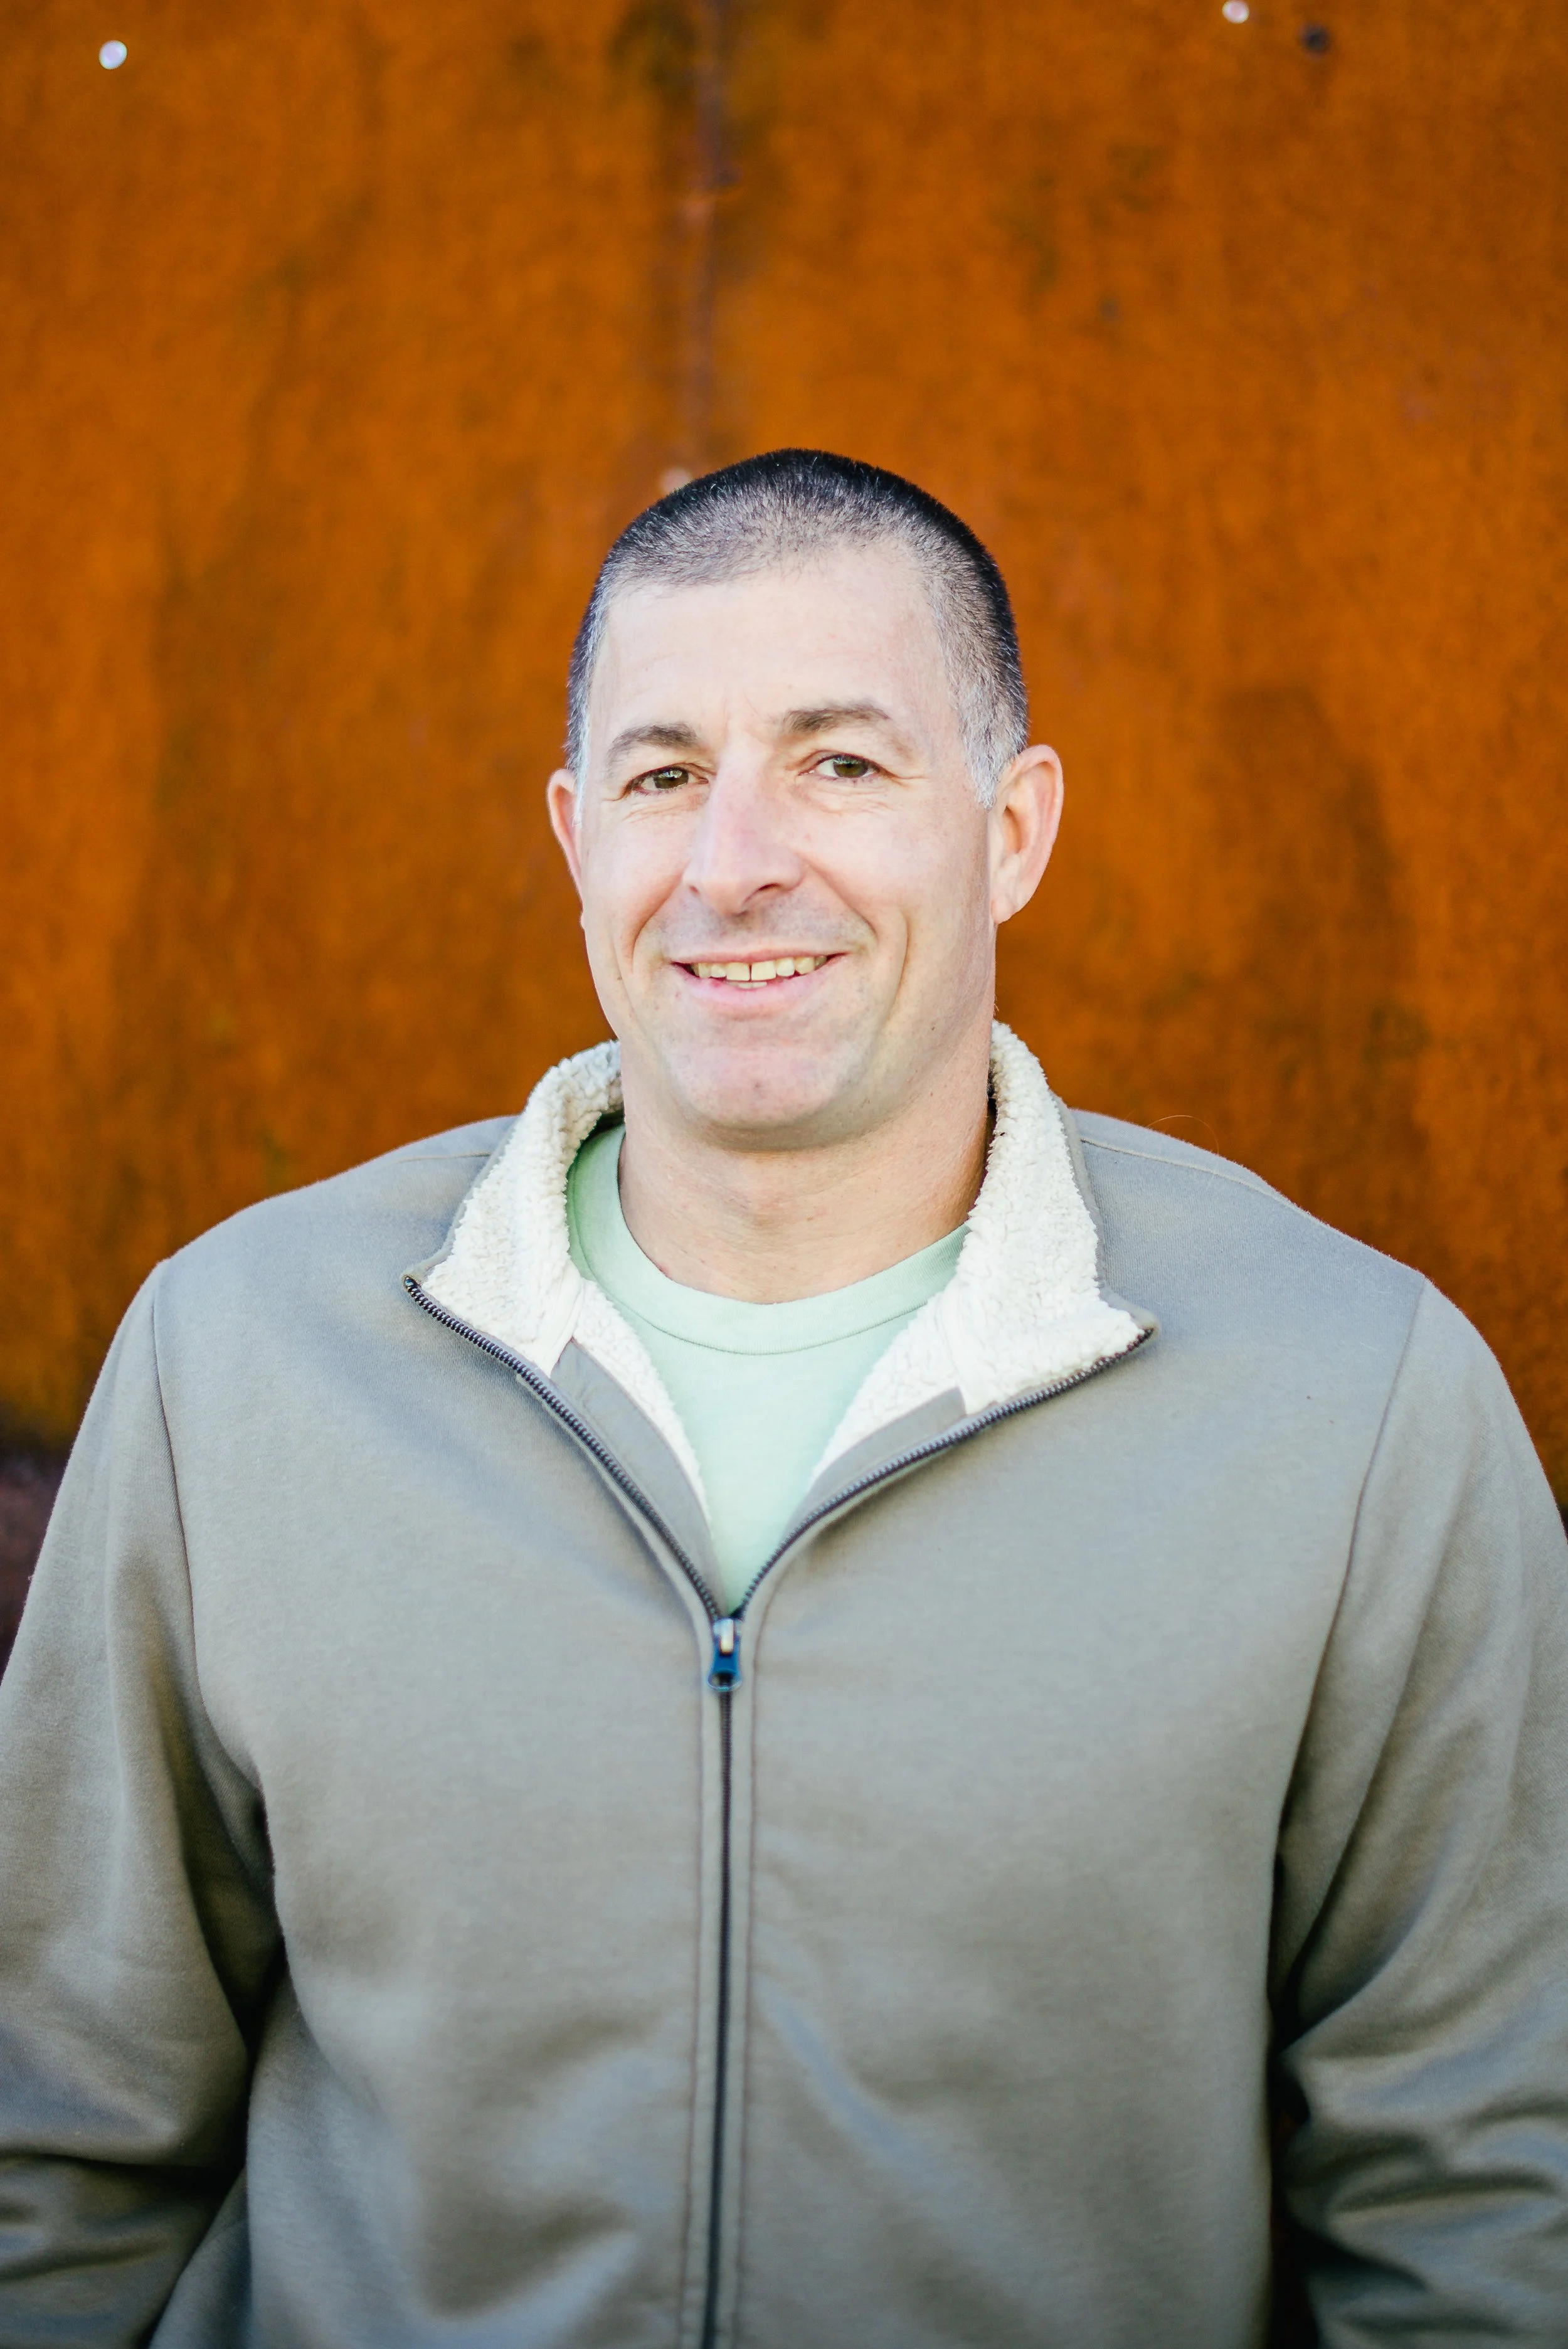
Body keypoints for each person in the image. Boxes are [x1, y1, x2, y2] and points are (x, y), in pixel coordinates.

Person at [1, 449, 1565, 2349]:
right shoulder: (239, 1358)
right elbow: (57, 2136)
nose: (735, 859)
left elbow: (1483, 2184)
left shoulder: (1355, 1404)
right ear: (577, 833)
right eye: (666, 774)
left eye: (840, 761)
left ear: (1010, 827)